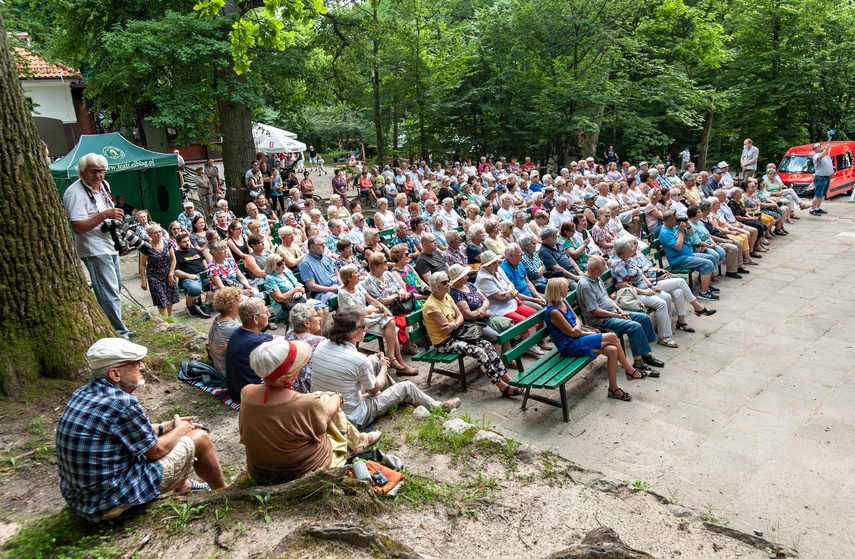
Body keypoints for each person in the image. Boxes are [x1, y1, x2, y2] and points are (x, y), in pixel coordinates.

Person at [56, 338, 226, 522]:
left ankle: (184, 486)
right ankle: (224, 492)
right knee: (200, 438)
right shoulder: (122, 403)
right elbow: (156, 451)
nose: (142, 366)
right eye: (135, 363)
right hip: (110, 501)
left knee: (154, 443)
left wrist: (165, 427)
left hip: (83, 500)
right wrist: (180, 429)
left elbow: (129, 433)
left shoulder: (84, 393)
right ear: (115, 374)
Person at [239, 338, 381, 483]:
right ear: (288, 375)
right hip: (304, 470)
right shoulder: (306, 404)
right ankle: (356, 441)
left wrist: (320, 396)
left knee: (321, 399)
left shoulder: (246, 392)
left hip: (261, 472)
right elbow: (326, 411)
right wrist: (337, 396)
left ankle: (357, 440)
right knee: (328, 404)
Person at [312, 308, 460, 429]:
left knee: (372, 360)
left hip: (328, 406)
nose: (366, 328)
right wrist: (383, 367)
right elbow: (373, 389)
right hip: (353, 416)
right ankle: (438, 407)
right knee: (407, 386)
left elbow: (350, 366)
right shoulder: (358, 360)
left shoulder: (322, 345)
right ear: (350, 332)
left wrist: (375, 362)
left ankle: (399, 397)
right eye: (363, 326)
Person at [62, 153, 131, 338]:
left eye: (102, 171)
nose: (99, 176)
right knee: (108, 292)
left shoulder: (104, 186)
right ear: (82, 171)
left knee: (115, 288)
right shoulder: (74, 193)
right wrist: (103, 216)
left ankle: (118, 326)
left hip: (110, 244)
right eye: (93, 171)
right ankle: (119, 332)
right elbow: (77, 227)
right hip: (94, 248)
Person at [423, 272, 524, 397]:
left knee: (487, 345)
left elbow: (459, 316)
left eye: (448, 280)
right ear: (436, 286)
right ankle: (501, 386)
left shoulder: (446, 297)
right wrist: (455, 324)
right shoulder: (432, 306)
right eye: (445, 282)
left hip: (458, 334)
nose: (448, 283)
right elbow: (447, 330)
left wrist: (454, 324)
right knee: (479, 352)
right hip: (444, 342)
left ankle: (506, 376)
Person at [543, 278, 636, 401]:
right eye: (565, 288)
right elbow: (572, 334)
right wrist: (589, 333)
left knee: (613, 350)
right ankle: (630, 370)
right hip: (569, 345)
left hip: (578, 337)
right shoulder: (554, 311)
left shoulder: (563, 301)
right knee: (613, 337)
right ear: (559, 291)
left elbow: (576, 319)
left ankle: (613, 389)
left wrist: (578, 326)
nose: (568, 289)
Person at [576, 256, 663, 376]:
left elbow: (606, 298)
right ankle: (639, 364)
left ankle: (645, 355)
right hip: (600, 320)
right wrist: (617, 315)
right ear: (597, 268)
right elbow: (595, 311)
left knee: (644, 318)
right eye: (604, 267)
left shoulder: (597, 278)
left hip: (613, 313)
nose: (605, 268)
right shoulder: (585, 285)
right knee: (634, 327)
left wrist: (619, 310)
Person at [338, 265, 418, 375]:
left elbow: (372, 300)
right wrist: (377, 310)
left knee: (390, 321)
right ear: (348, 278)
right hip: (354, 323)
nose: (359, 274)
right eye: (356, 273)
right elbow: (357, 312)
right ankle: (400, 364)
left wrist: (383, 308)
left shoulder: (359, 286)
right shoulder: (342, 293)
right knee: (392, 329)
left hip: (366, 318)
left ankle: (392, 359)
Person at [658, 211, 720, 301]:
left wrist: (688, 226)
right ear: (668, 221)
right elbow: (678, 247)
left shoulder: (675, 226)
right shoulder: (665, 233)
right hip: (679, 260)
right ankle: (704, 293)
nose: (677, 221)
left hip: (688, 255)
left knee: (711, 257)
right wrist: (681, 232)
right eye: (676, 219)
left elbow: (690, 234)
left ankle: (706, 285)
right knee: (707, 264)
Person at [225, 298, 275, 403]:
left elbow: (267, 337)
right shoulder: (255, 342)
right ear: (255, 319)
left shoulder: (238, 333)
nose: (269, 315)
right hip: (248, 396)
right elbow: (275, 340)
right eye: (266, 313)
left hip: (235, 391)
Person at [139, 224, 180, 317]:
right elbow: (142, 264)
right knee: (161, 299)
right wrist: (143, 280)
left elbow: (173, 260)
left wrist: (171, 273)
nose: (158, 234)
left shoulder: (167, 243)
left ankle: (169, 318)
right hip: (154, 276)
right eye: (155, 233)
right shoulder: (147, 247)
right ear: (149, 235)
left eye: (159, 232)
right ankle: (166, 321)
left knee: (170, 299)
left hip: (168, 274)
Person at [284, 302, 325, 393]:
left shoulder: (289, 334)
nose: (319, 318)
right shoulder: (319, 341)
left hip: (290, 384)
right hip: (309, 387)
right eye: (316, 316)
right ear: (306, 323)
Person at [173, 231, 212, 318]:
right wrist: (189, 276)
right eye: (184, 242)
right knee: (195, 289)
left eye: (188, 241)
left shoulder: (195, 250)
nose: (187, 243)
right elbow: (176, 271)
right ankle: (191, 306)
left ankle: (204, 305)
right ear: (178, 243)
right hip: (188, 278)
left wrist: (207, 270)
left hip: (203, 274)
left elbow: (203, 260)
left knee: (217, 283)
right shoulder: (176, 254)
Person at [207, 287, 242, 376]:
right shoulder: (231, 327)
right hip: (228, 373)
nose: (242, 302)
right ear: (230, 307)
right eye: (240, 300)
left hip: (220, 367)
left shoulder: (218, 318)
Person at [299, 236, 341, 305]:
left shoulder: (326, 257)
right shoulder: (305, 264)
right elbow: (312, 286)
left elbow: (336, 273)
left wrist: (341, 285)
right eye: (321, 244)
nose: (324, 246)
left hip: (336, 287)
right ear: (312, 247)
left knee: (355, 290)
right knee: (343, 297)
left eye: (323, 243)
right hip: (322, 292)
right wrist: (333, 289)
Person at [810, 137, 834, 216]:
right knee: (818, 195)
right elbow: (820, 158)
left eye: (820, 145)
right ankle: (812, 209)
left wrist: (832, 170)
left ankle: (817, 208)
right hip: (820, 178)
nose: (820, 146)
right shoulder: (816, 156)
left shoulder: (826, 155)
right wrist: (825, 150)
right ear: (815, 150)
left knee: (822, 195)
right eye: (818, 146)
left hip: (827, 177)